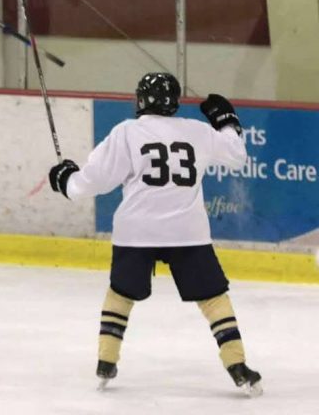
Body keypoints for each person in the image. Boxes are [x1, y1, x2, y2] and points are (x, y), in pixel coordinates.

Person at [48, 72, 263, 397]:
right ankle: (238, 366)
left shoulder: (126, 133)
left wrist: (67, 180)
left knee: (120, 294)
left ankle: (106, 361)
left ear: (141, 99)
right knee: (213, 298)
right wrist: (227, 122)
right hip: (187, 232)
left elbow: (94, 181)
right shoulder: (197, 131)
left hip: (136, 231)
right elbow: (237, 155)